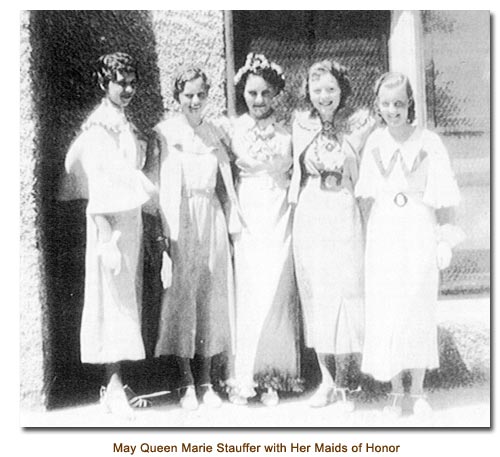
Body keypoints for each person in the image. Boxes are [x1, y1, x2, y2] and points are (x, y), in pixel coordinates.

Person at [355, 72, 464, 417]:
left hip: (418, 226)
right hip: (385, 229)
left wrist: (444, 238)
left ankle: (417, 391)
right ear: (378, 106)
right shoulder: (374, 142)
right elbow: (366, 198)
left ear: (410, 103)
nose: (392, 110)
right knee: (387, 308)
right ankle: (394, 391)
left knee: (417, 305)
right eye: (386, 104)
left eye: (399, 103)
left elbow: (445, 197)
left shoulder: (429, 141)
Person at [64, 52, 156, 419]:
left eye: (132, 82)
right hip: (110, 226)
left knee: (126, 300)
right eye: (120, 82)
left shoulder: (122, 122)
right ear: (105, 84)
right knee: (111, 301)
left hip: (129, 220)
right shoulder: (99, 128)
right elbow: (98, 185)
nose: (128, 89)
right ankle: (112, 385)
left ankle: (119, 382)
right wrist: (105, 240)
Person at [154, 66, 242, 411]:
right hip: (181, 219)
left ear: (208, 97)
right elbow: (158, 187)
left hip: (212, 218)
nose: (194, 101)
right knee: (182, 296)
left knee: (209, 294)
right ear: (178, 98)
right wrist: (163, 233)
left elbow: (226, 184)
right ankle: (185, 379)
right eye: (188, 95)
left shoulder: (215, 134)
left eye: (200, 95)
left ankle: (206, 378)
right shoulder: (165, 134)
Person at [289, 60, 371, 409]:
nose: (325, 96)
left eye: (331, 89)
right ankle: (326, 379)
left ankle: (348, 381)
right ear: (308, 92)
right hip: (312, 210)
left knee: (349, 288)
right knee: (319, 292)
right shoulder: (299, 124)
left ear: (342, 91)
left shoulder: (359, 126)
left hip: (345, 208)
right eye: (318, 89)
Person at [227, 53, 300, 407]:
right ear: (244, 94)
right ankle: (245, 377)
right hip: (248, 215)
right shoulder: (231, 130)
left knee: (276, 291)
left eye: (265, 93)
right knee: (251, 292)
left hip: (279, 214)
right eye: (252, 93)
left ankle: (273, 374)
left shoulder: (288, 134)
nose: (259, 100)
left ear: (276, 95)